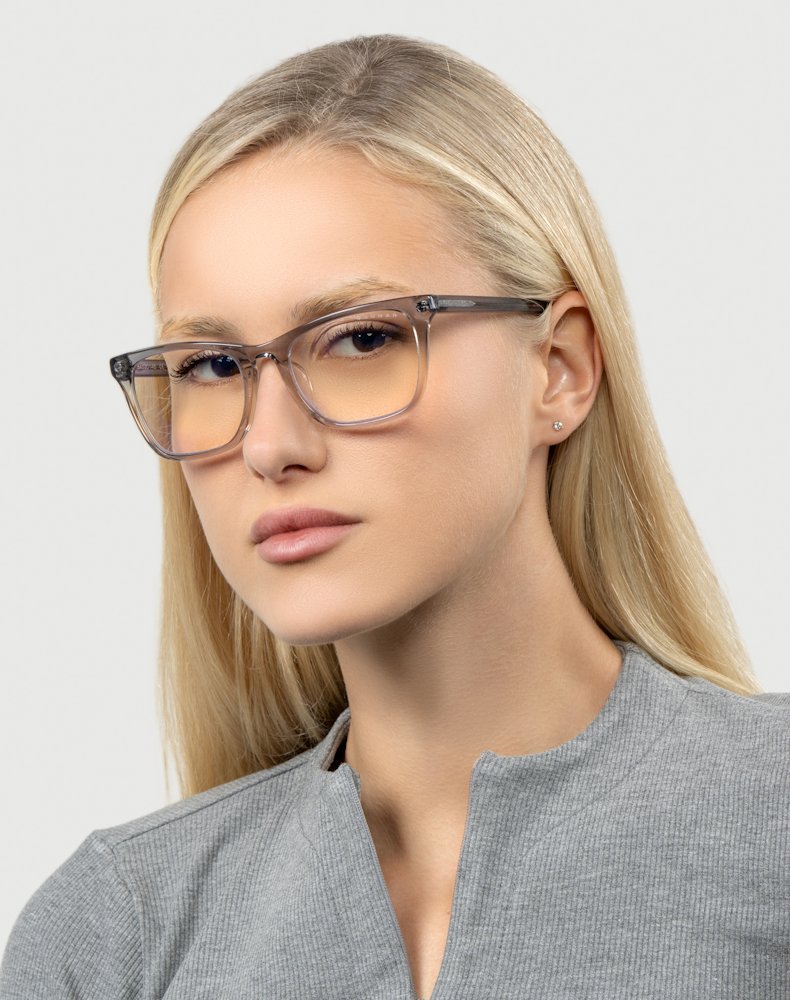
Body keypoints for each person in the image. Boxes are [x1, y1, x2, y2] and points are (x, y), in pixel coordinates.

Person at [2, 32, 788, 1000]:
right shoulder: (117, 930)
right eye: (211, 365)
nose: (268, 444)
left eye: (362, 339)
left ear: (559, 370)